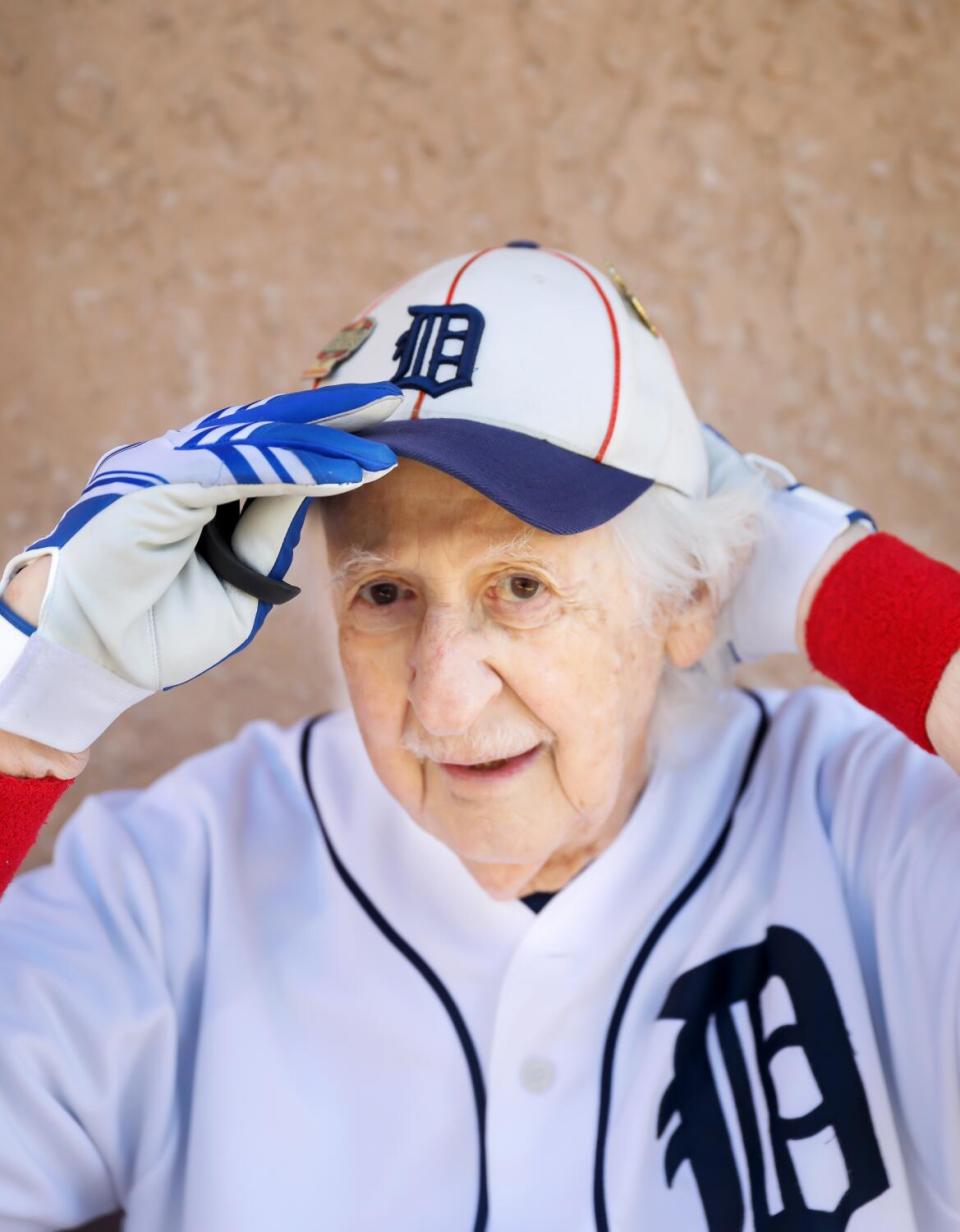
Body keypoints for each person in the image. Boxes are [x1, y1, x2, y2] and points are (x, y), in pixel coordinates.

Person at [0, 243, 958, 1232]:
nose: (444, 701)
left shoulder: (869, 821)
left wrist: (848, 589)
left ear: (690, 592)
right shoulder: (182, 878)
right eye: (384, 592)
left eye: (523, 586)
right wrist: (24, 700)